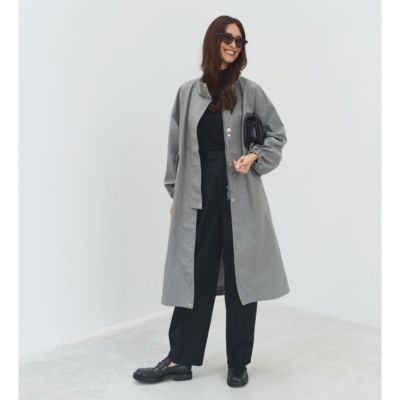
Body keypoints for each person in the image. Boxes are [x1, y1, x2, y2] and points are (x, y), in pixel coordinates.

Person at [133, 15, 289, 388]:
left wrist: (255, 157)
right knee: (194, 278)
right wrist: (176, 195)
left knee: (241, 280)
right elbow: (175, 150)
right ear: (213, 41)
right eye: (228, 38)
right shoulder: (188, 93)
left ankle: (238, 362)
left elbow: (277, 135)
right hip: (199, 201)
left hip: (241, 199)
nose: (234, 45)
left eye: (240, 41)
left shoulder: (251, 92)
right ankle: (179, 359)